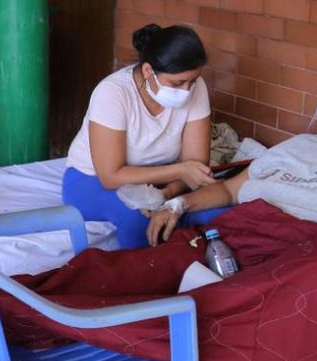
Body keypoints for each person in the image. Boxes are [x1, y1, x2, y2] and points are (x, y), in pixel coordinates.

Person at [0, 63, 317, 361]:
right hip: (242, 238)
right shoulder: (300, 145)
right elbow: (229, 192)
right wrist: (179, 204)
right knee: (121, 268)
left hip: (314, 257)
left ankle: (152, 324)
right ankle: (23, 307)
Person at [63, 24, 214, 248]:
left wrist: (168, 195)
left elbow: (196, 164)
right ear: (147, 71)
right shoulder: (113, 92)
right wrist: (181, 170)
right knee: (138, 219)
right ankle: (145, 277)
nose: (186, 90)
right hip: (91, 180)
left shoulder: (196, 88)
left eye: (192, 82)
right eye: (177, 83)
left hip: (163, 180)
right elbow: (110, 176)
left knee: (214, 211)